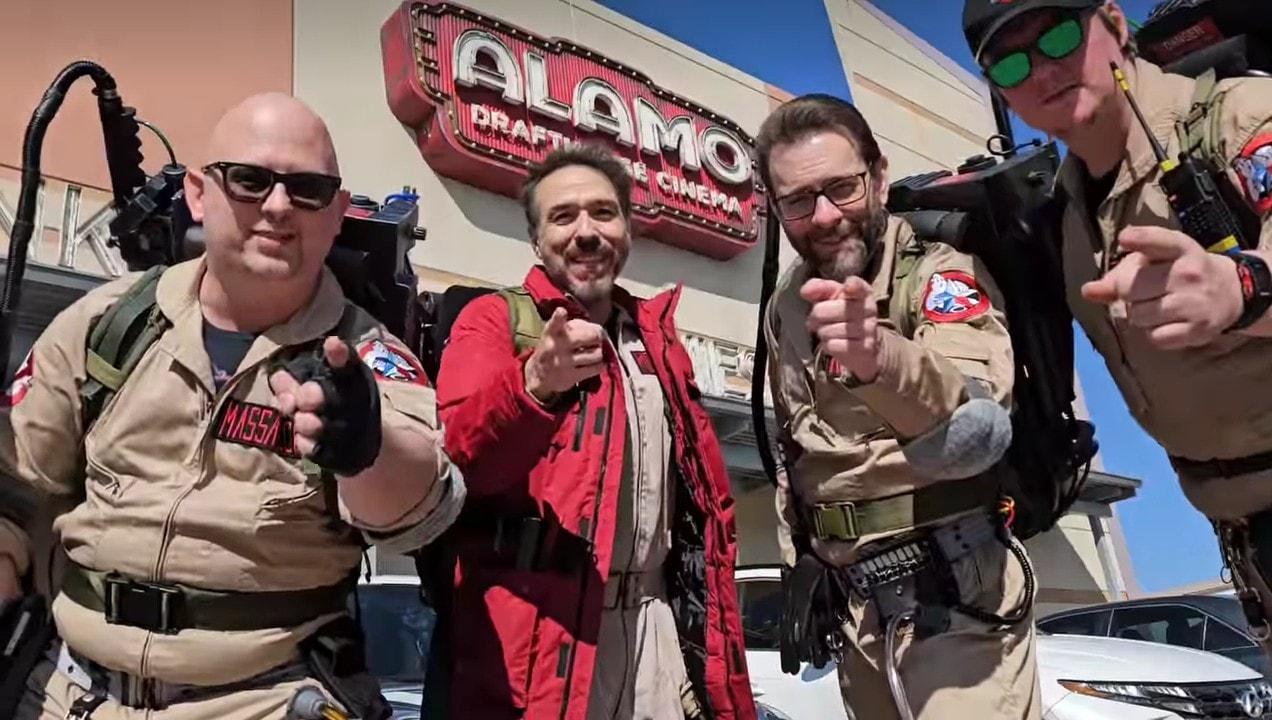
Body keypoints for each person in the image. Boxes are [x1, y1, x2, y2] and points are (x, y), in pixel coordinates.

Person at [0, 92, 464, 719]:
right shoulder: (104, 323)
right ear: (198, 193)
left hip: (259, 699)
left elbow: (421, 512)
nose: (277, 206)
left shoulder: (367, 360)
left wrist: (368, 446)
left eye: (307, 189)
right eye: (249, 180)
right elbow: (18, 487)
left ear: (337, 214)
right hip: (67, 693)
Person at [962, 0, 1272, 652]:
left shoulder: (1234, 118)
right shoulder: (1066, 221)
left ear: (1114, 22)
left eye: (1060, 37)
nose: (1042, 70)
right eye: (1011, 65)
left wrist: (1239, 288)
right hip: (1243, 535)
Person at [435, 143, 756, 720]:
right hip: (545, 637)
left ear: (627, 230)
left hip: (659, 635)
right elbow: (456, 468)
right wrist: (533, 385)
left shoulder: (659, 341)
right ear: (536, 240)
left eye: (604, 213)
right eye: (563, 217)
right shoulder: (493, 320)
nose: (586, 232)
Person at [758, 94, 1040, 719]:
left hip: (956, 598)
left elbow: (977, 415)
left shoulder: (938, 270)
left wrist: (880, 360)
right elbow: (795, 454)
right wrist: (800, 561)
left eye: (842, 188)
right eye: (798, 201)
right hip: (855, 613)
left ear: (879, 177)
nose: (824, 217)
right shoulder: (787, 305)